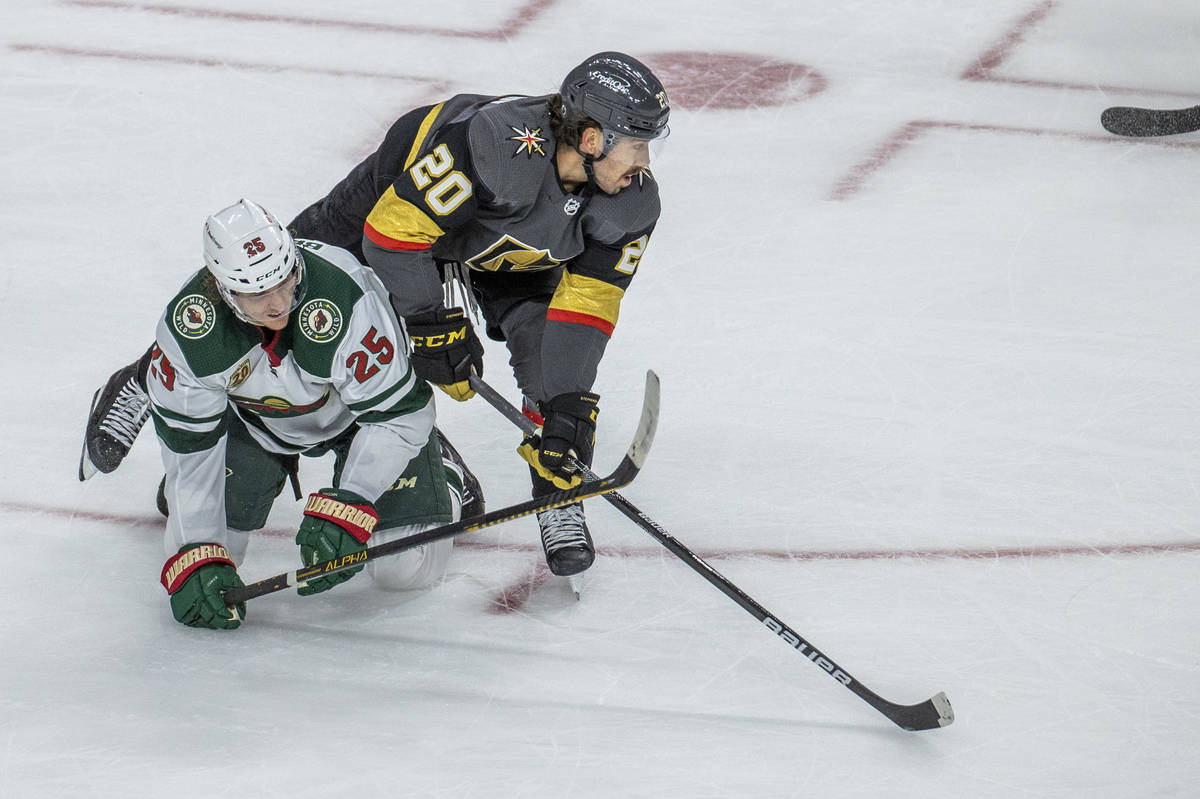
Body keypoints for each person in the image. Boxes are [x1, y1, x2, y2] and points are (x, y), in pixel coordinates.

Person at [79, 51, 671, 579]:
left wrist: (566, 404)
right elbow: (393, 237)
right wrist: (428, 323)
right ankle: (146, 375)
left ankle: (555, 491)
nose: (646, 163)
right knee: (278, 297)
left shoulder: (633, 203)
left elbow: (588, 304)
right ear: (590, 138)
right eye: (639, 144)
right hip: (390, 211)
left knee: (549, 366)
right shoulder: (495, 144)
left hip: (506, 253)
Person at [153, 199, 461, 629]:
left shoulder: (344, 294)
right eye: (258, 292)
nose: (279, 302)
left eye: (285, 280)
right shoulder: (192, 334)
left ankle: (444, 471)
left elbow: (399, 414)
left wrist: (351, 500)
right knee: (212, 557)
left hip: (361, 419)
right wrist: (193, 549)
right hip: (256, 426)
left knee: (407, 569)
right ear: (222, 288)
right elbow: (190, 450)